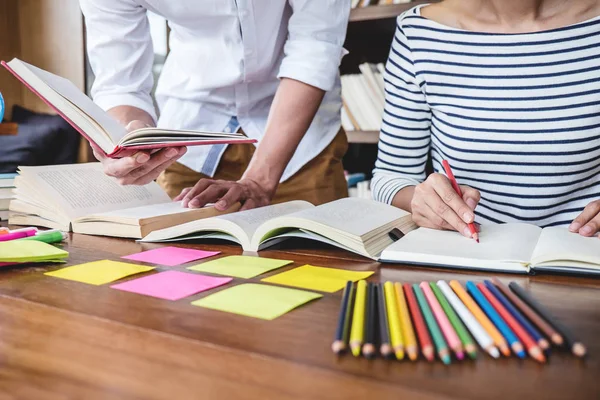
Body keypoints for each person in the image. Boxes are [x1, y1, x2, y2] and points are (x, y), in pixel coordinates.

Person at [80, 1, 350, 212]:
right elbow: (121, 84)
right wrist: (132, 138)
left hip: (297, 141)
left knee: (319, 269)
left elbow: (315, 47)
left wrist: (259, 180)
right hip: (189, 136)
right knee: (183, 271)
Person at [371, 0, 600, 237]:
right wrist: (421, 201)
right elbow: (390, 176)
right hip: (470, 256)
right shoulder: (418, 33)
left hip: (583, 258)